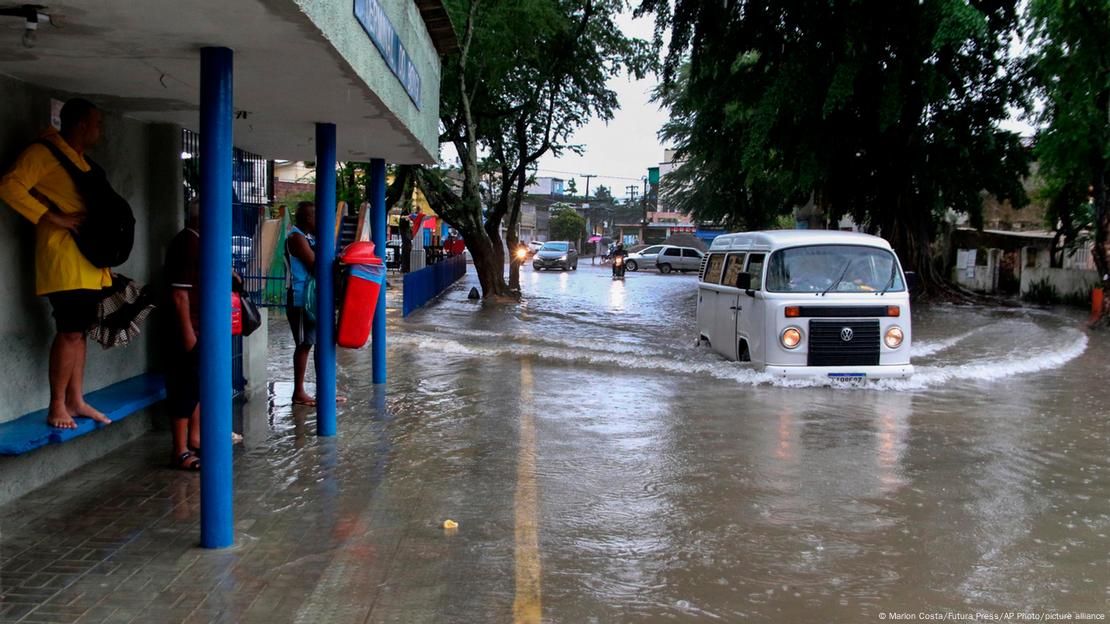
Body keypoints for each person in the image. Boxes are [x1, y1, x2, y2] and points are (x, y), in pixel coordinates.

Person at [0, 98, 112, 429]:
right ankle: (57, 405)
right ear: (80, 124)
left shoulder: (78, 159)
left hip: (88, 260)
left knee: (81, 334)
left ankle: (76, 400)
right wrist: (51, 218)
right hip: (64, 258)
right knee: (69, 333)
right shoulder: (43, 152)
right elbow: (8, 186)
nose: (100, 130)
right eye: (97, 123)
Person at [164, 201, 203, 470]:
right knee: (184, 386)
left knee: (196, 385)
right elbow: (179, 295)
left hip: (200, 327)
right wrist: (189, 335)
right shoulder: (187, 243)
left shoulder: (199, 242)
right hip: (186, 330)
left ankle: (195, 438)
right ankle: (179, 450)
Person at [285, 201, 322, 406]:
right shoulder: (296, 237)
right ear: (308, 218)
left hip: (311, 298)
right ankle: (298, 391)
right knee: (304, 343)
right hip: (300, 298)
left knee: (314, 342)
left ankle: (319, 389)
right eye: (317, 216)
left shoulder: (309, 237)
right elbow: (316, 264)